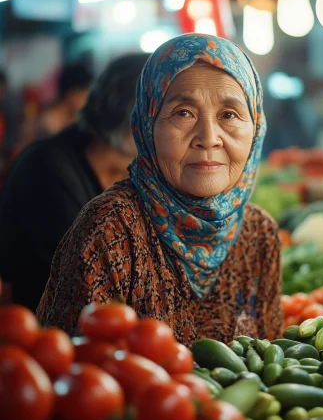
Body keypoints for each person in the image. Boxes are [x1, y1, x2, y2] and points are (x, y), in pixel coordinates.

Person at [37, 34, 283, 344]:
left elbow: (270, 370)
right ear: (146, 125)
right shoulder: (110, 229)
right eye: (183, 113)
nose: (208, 137)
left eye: (229, 115)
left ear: (256, 128)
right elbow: (78, 374)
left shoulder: (259, 235)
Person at [0, 54, 147, 311]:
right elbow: (84, 279)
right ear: (134, 120)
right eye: (176, 113)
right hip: (46, 331)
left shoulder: (135, 173)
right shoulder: (47, 168)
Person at [39, 62, 93, 136]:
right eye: (84, 94)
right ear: (71, 94)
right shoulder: (47, 124)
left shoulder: (76, 119)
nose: (87, 101)